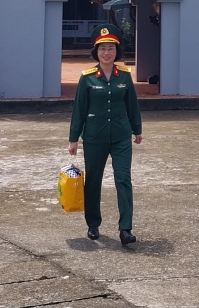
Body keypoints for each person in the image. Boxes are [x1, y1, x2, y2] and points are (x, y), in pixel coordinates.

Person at [68, 24, 142, 246]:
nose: (106, 53)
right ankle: (93, 223)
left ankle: (126, 229)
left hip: (121, 136)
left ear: (116, 51)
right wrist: (73, 139)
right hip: (94, 137)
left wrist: (137, 129)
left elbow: (132, 105)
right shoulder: (87, 78)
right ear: (96, 51)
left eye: (110, 48)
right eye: (102, 48)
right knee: (93, 180)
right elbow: (79, 109)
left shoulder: (125, 76)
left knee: (123, 179)